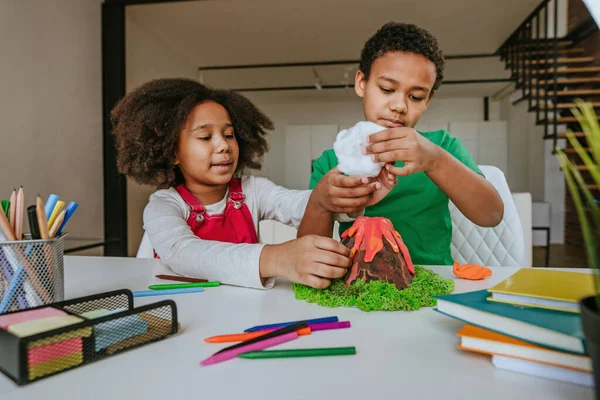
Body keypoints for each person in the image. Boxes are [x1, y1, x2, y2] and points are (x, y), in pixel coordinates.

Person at [111, 78, 381, 289]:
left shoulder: (253, 191)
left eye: (229, 135)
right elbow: (184, 253)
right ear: (172, 152)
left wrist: (346, 195)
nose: (223, 146)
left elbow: (297, 203)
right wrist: (278, 259)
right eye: (205, 138)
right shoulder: (163, 205)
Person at [300, 22, 504, 266]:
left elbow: (491, 215)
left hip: (433, 282)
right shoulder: (332, 163)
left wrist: (435, 161)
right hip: (359, 286)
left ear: (428, 100)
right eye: (387, 89)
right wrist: (320, 203)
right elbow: (308, 255)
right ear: (361, 83)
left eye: (415, 96)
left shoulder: (443, 147)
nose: (399, 106)